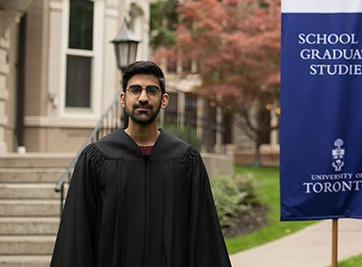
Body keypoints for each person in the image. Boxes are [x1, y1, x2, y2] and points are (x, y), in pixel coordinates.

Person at [50, 60, 231, 267]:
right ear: (123, 98)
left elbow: (204, 237)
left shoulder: (185, 160)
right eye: (135, 90)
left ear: (163, 100)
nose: (143, 98)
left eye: (151, 91)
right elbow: (77, 234)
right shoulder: (97, 158)